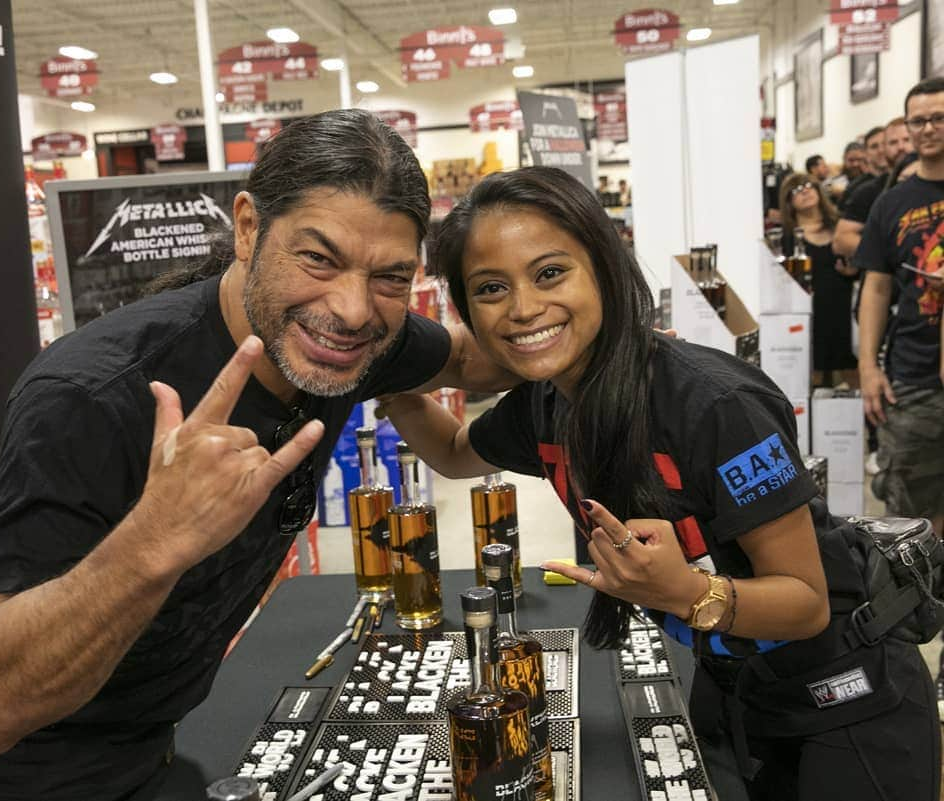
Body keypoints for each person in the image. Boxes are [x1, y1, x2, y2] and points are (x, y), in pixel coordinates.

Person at [0, 109, 511, 801]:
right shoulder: (90, 397)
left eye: (390, 277)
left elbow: (473, 360)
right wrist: (156, 537)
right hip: (23, 771)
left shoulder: (362, 336)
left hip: (157, 727)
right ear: (248, 227)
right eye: (318, 258)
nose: (349, 309)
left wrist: (585, 333)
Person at [382, 166, 940, 801]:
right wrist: (390, 386)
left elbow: (806, 604)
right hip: (732, 685)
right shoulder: (547, 401)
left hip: (848, 701)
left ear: (604, 269)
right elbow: (455, 452)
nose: (524, 308)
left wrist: (687, 592)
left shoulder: (713, 405)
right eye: (490, 288)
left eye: (550, 273)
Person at [854, 77, 944, 541]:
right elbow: (876, 288)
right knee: (914, 512)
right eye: (918, 120)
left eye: (938, 118)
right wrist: (868, 366)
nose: (928, 128)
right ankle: (925, 609)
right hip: (913, 376)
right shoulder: (893, 203)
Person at [779, 173, 858, 387]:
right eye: (796, 190)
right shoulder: (787, 239)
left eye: (809, 185)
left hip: (845, 311)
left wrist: (854, 270)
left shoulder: (841, 227)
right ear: (788, 202)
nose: (805, 190)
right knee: (811, 377)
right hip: (809, 315)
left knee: (852, 374)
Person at [835, 118, 915, 259]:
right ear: (885, 148)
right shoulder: (868, 191)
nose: (901, 147)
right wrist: (889, 259)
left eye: (907, 139)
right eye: (893, 142)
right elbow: (842, 239)